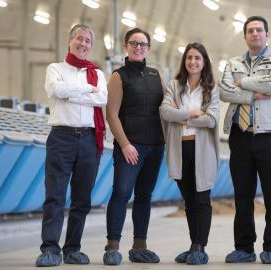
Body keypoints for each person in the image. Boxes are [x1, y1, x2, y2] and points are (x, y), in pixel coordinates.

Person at [35, 24, 107, 267]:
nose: (83, 44)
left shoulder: (97, 73)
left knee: (81, 198)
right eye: (79, 39)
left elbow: (102, 98)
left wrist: (71, 93)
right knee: (54, 195)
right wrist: (87, 89)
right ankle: (50, 249)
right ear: (70, 41)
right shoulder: (55, 68)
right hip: (61, 137)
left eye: (88, 41)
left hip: (89, 139)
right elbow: (56, 89)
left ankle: (73, 248)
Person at [218, 16, 271, 264]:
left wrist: (243, 83)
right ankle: (244, 248)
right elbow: (224, 91)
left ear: (267, 34)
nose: (255, 34)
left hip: (269, 135)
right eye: (250, 31)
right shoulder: (233, 62)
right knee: (243, 195)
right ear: (244, 36)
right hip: (240, 135)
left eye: (259, 30)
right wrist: (252, 95)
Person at [103, 28, 165, 265]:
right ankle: (113, 246)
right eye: (133, 44)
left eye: (143, 44)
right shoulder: (119, 76)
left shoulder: (155, 75)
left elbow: (168, 104)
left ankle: (140, 246)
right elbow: (111, 114)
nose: (138, 48)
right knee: (121, 194)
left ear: (148, 48)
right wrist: (125, 144)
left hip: (155, 147)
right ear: (126, 47)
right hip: (130, 146)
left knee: (144, 196)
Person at [160, 43, 220, 265]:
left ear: (204, 62)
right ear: (184, 61)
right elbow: (165, 112)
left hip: (202, 149)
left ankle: (200, 247)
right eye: (189, 57)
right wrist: (193, 113)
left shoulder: (212, 89)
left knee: (201, 198)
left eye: (197, 58)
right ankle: (193, 244)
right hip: (180, 148)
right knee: (189, 200)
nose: (193, 62)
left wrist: (181, 116)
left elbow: (211, 119)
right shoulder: (174, 86)